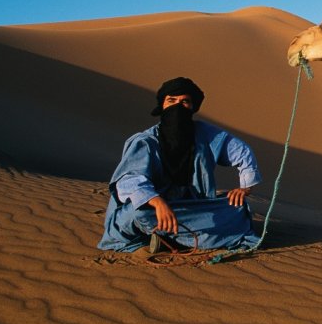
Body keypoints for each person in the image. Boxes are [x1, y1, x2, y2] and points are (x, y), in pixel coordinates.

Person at [98, 77, 262, 253]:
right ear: (163, 105)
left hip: (189, 208)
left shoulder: (204, 134)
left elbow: (242, 151)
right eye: (172, 100)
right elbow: (129, 180)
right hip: (153, 210)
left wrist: (245, 188)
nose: (178, 106)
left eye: (185, 102)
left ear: (192, 107)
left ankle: (169, 239)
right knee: (138, 213)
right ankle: (182, 239)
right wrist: (157, 202)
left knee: (238, 208)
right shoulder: (146, 141)